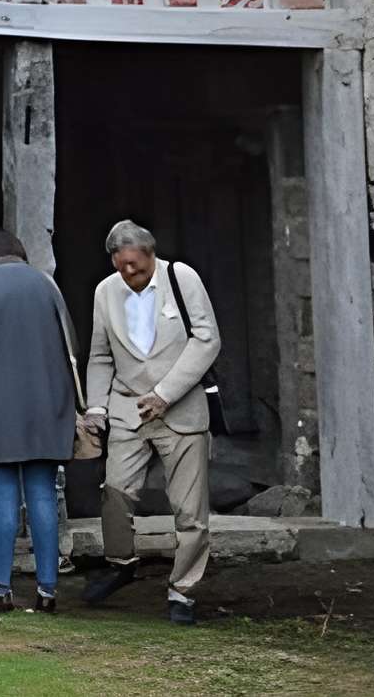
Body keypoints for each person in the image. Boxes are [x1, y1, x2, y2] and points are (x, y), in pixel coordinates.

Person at [82, 218, 221, 625]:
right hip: (128, 408)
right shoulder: (106, 291)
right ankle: (121, 562)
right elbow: (101, 354)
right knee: (115, 492)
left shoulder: (181, 277)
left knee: (189, 510)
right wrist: (97, 407)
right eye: (121, 265)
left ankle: (183, 590)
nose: (129, 272)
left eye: (136, 264)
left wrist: (165, 394)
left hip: (180, 408)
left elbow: (207, 339)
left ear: (151, 254)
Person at [0, 226, 86, 614]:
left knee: (3, 495)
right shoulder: (47, 285)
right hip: (48, 403)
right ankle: (48, 589)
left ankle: (0, 589)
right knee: (42, 493)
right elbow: (72, 344)